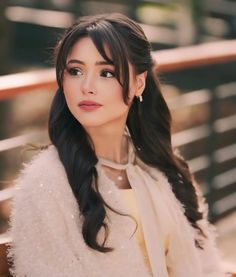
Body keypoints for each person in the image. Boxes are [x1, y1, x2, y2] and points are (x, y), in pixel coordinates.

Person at [6, 13, 227, 277]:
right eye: (75, 71)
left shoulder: (157, 169)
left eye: (106, 72)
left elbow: (205, 266)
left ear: (138, 83)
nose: (87, 87)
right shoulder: (47, 184)